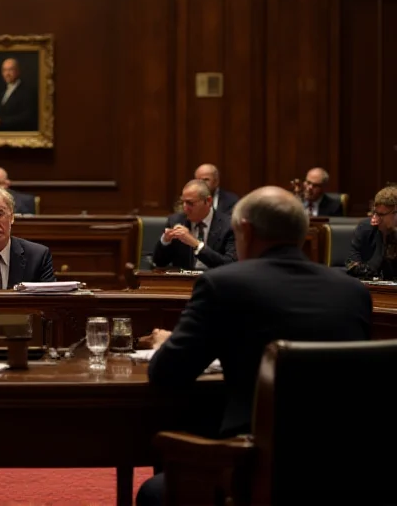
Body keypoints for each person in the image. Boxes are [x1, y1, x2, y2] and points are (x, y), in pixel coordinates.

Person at [135, 186, 372, 506]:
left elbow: (166, 375)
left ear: (244, 229)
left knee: (152, 492)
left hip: (254, 465)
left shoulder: (223, 284)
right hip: (345, 467)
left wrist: (168, 342)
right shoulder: (353, 291)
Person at [152, 180, 236, 270]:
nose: (185, 208)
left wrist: (196, 244)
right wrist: (165, 241)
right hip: (182, 282)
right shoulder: (175, 221)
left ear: (208, 201)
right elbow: (159, 263)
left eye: (190, 203)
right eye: (182, 202)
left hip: (215, 281)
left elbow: (230, 265)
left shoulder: (228, 225)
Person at [346, 185, 397, 280]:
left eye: (381, 215)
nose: (375, 219)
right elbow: (351, 266)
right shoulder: (365, 228)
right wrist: (380, 237)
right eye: (375, 213)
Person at [0, 58, 37, 131]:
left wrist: (0, 122)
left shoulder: (27, 91)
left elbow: (27, 117)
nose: (7, 74)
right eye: (4, 70)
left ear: (18, 71)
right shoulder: (1, 90)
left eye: (10, 70)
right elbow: (2, 109)